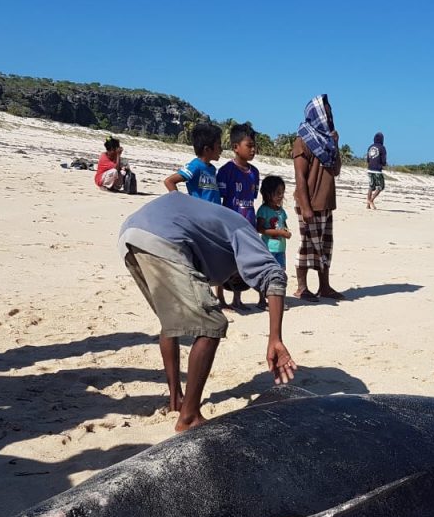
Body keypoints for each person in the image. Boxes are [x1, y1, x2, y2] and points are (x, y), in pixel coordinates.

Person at [118, 191, 296, 431]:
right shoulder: (243, 230)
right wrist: (275, 338)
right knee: (212, 323)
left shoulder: (212, 232)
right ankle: (189, 417)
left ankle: (176, 399)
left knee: (172, 322)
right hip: (164, 235)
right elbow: (274, 275)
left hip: (130, 234)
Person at [292, 94, 345, 301]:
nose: (330, 116)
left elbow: (336, 170)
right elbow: (299, 176)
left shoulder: (328, 142)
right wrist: (305, 207)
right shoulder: (303, 140)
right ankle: (302, 287)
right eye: (327, 112)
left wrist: (336, 144)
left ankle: (324, 286)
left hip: (326, 202)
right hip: (310, 202)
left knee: (325, 246)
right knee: (307, 245)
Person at [216, 124, 260, 311]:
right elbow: (221, 197)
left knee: (241, 263)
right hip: (229, 225)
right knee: (224, 261)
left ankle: (237, 297)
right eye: (248, 145)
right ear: (235, 147)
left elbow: (253, 197)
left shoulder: (255, 173)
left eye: (254, 146)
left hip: (248, 224)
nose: (253, 150)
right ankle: (220, 298)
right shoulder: (226, 171)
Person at [255, 175, 291, 310]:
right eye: (278, 193)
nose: (281, 196)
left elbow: (284, 224)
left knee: (280, 273)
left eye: (282, 192)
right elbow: (260, 228)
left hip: (280, 249)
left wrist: (286, 231)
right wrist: (279, 233)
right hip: (268, 248)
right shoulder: (263, 210)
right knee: (265, 273)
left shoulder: (281, 211)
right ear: (268, 194)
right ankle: (261, 300)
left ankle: (278, 299)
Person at [164, 123, 221, 202]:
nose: (221, 150)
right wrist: (178, 202)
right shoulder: (195, 166)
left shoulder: (212, 169)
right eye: (219, 146)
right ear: (207, 149)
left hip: (213, 212)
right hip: (200, 213)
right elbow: (169, 181)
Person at [366, 132, 387, 209]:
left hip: (370, 169)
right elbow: (383, 160)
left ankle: (368, 205)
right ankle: (371, 200)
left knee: (371, 186)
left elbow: (368, 159)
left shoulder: (370, 147)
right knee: (381, 186)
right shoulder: (382, 148)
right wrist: (383, 164)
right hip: (377, 170)